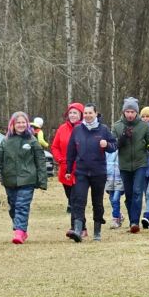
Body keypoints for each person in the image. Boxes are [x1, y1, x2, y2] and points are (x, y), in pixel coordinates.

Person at [0, 111, 48, 244]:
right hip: (10, 179)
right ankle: (20, 229)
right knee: (13, 207)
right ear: (13, 124)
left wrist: (42, 181)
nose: (21, 125)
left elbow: (40, 161)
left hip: (28, 179)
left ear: (27, 124)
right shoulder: (5, 141)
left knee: (22, 205)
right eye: (18, 123)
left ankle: (19, 232)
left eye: (23, 122)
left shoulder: (32, 140)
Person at [64, 103, 116, 242]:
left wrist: (107, 145)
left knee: (97, 202)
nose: (87, 115)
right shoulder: (77, 130)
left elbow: (114, 146)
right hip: (81, 171)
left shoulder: (103, 129)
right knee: (78, 201)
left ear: (95, 113)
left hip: (98, 172)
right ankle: (77, 230)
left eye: (90, 113)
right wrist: (69, 169)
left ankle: (97, 232)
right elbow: (71, 151)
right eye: (85, 113)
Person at [112, 97, 149, 234]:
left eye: (132, 111)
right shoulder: (117, 126)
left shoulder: (144, 126)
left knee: (137, 192)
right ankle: (131, 221)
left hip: (140, 165)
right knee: (129, 195)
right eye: (127, 111)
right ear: (123, 112)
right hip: (124, 166)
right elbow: (112, 146)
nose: (130, 114)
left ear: (136, 112)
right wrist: (122, 138)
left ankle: (135, 222)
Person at [49, 102, 85, 216]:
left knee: (78, 191)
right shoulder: (62, 128)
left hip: (80, 166)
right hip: (65, 166)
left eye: (75, 113)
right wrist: (60, 159)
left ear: (81, 115)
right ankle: (71, 202)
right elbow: (55, 147)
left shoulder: (85, 129)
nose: (72, 115)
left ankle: (76, 208)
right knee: (68, 189)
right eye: (70, 113)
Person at [106, 147, 124, 229]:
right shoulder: (107, 148)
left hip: (119, 177)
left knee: (115, 199)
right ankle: (119, 215)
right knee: (111, 199)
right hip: (109, 177)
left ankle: (115, 219)